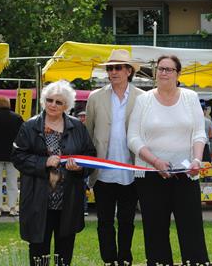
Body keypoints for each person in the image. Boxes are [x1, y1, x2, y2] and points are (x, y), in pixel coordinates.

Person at [128, 55, 209, 266]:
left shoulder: (190, 97)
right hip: (151, 175)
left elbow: (199, 134)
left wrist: (197, 161)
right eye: (160, 69)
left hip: (185, 174)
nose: (163, 73)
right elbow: (133, 138)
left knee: (191, 230)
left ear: (178, 74)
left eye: (169, 69)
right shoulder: (143, 100)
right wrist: (155, 162)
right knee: (155, 232)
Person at [13, 80, 96, 266]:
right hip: (38, 200)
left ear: (66, 105)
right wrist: (43, 162)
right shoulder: (30, 126)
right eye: (49, 100)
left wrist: (81, 166)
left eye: (58, 102)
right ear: (43, 101)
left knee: (64, 255)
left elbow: (90, 155)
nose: (53, 105)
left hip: (68, 201)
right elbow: (18, 157)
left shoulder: (78, 127)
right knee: (38, 254)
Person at [85, 49, 144, 266]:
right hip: (103, 173)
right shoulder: (95, 97)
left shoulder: (143, 97)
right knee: (104, 221)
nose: (113, 72)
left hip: (132, 172)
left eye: (118, 67)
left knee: (127, 220)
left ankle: (125, 258)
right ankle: (108, 260)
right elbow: (88, 134)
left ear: (129, 71)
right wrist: (87, 168)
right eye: (110, 68)